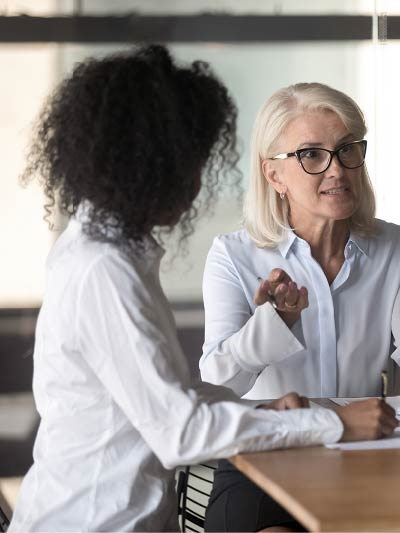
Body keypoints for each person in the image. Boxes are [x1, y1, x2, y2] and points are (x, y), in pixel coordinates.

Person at [8, 53, 397, 533]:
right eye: (191, 163)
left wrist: (271, 408)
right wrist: (334, 423)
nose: (197, 185)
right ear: (146, 165)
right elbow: (183, 432)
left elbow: (173, 395)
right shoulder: (103, 270)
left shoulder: (112, 251)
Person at [200, 82, 400, 531]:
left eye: (347, 149)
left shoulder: (394, 249)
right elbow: (216, 385)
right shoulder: (233, 255)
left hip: (370, 460)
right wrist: (272, 324)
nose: (337, 170)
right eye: (311, 154)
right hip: (264, 461)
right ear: (274, 174)